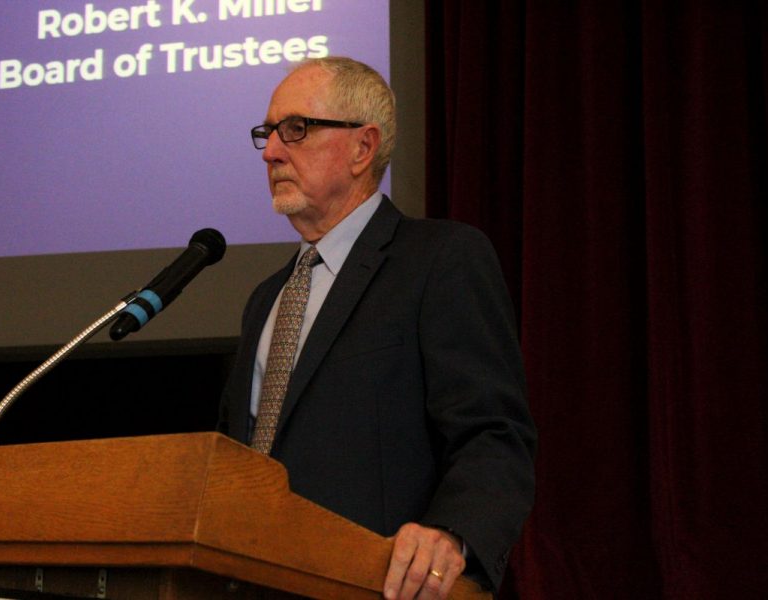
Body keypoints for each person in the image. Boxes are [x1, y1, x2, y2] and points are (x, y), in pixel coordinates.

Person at [218, 56, 536, 599]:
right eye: (267, 133)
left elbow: (493, 433)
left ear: (363, 148)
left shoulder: (440, 259)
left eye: (295, 130)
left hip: (375, 586)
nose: (271, 151)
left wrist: (452, 534)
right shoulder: (265, 299)